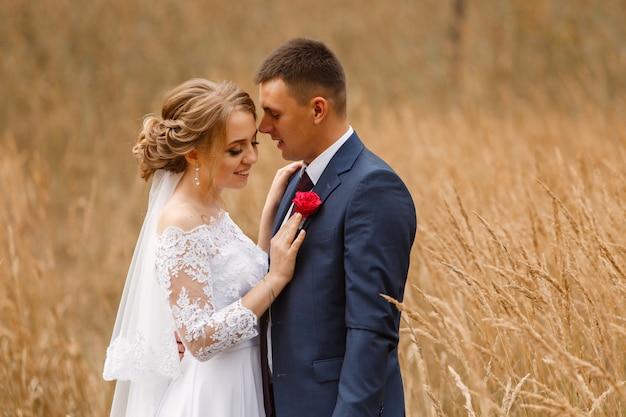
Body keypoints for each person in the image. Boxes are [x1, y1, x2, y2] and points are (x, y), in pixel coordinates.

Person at [102, 78, 306, 417]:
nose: (252, 157)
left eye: (253, 143)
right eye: (235, 149)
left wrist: (270, 212)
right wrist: (276, 279)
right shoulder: (179, 221)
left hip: (246, 381)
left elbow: (231, 290)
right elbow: (199, 340)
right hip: (217, 397)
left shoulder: (212, 206)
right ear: (193, 153)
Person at [253, 38, 417, 417]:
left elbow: (371, 331)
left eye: (274, 114)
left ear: (317, 110)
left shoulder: (374, 188)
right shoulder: (297, 181)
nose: (264, 127)